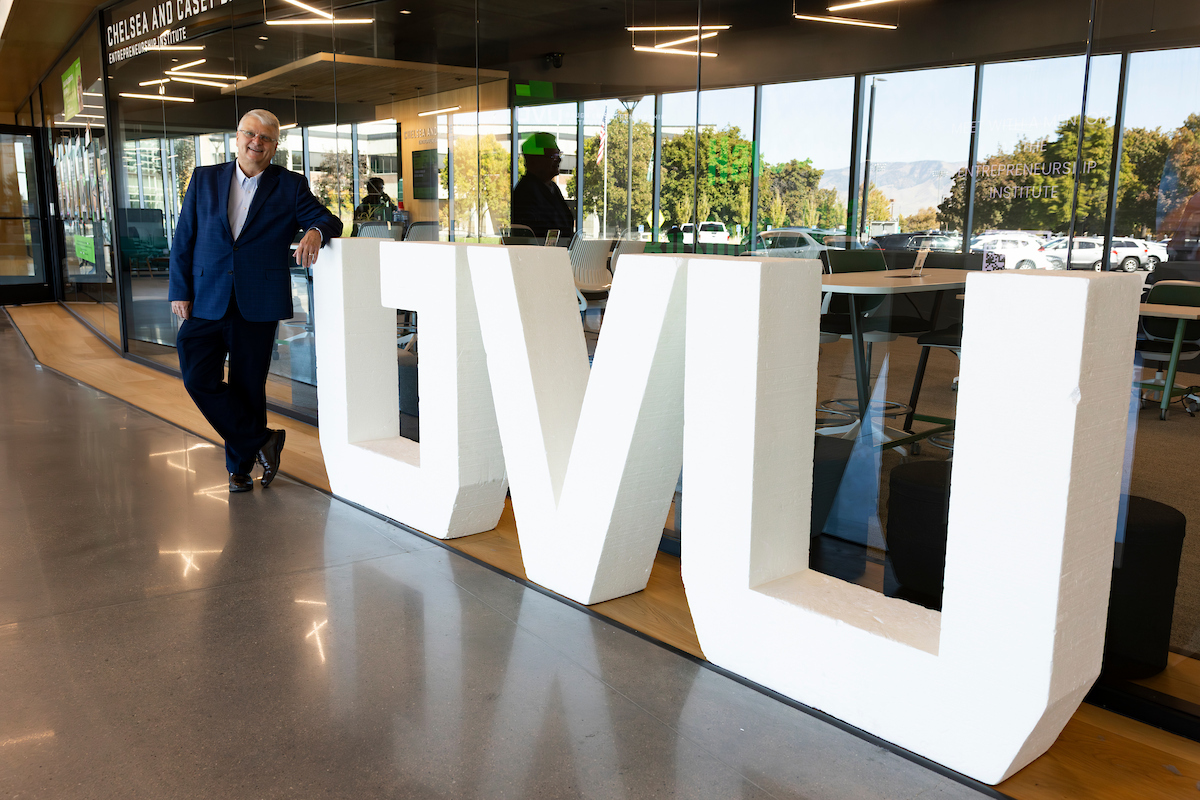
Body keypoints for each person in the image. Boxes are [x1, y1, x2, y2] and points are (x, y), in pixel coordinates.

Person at [168, 109, 343, 493]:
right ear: (237, 136)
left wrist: (314, 231)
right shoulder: (204, 178)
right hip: (206, 297)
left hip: (257, 302)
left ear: (275, 146)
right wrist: (179, 289)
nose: (256, 143)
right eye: (250, 134)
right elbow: (185, 237)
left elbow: (330, 220)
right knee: (197, 376)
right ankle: (262, 439)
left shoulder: (290, 185)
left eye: (265, 138)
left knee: (248, 386)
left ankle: (240, 469)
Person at [511, 131, 575, 240]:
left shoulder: (553, 188)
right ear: (535, 160)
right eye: (553, 156)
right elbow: (538, 234)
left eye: (559, 155)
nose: (559, 159)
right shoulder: (525, 193)